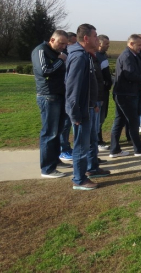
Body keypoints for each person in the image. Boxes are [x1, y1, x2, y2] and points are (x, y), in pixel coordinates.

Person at [66, 23, 110, 191]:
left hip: (90, 107)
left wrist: (93, 104)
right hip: (81, 110)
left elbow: (89, 83)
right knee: (81, 146)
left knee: (91, 141)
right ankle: (79, 179)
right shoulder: (79, 57)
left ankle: (92, 169)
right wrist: (75, 114)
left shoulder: (87, 55)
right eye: (94, 36)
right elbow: (72, 88)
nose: (97, 39)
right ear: (86, 38)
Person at [32, 30, 70, 178]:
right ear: (51, 40)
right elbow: (44, 71)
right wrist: (61, 60)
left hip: (59, 94)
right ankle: (47, 169)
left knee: (57, 131)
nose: (63, 46)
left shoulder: (56, 52)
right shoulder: (41, 50)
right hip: (48, 96)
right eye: (61, 43)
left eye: (65, 44)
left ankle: (55, 161)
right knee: (49, 133)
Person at [109, 34, 141, 158]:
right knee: (133, 121)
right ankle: (139, 149)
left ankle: (115, 150)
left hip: (125, 93)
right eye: (139, 45)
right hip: (126, 94)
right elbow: (129, 74)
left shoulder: (133, 55)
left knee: (120, 121)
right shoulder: (127, 56)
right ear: (131, 44)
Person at [59, 32, 78, 162]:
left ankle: (66, 147)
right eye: (71, 43)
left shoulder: (69, 55)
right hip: (63, 93)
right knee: (65, 124)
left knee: (67, 123)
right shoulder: (63, 56)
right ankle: (63, 150)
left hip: (67, 93)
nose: (71, 46)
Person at [96, 35, 112, 151]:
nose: (108, 46)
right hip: (99, 92)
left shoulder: (103, 55)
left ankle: (99, 140)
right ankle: (97, 141)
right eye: (106, 44)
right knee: (98, 118)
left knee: (102, 117)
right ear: (99, 44)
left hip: (105, 91)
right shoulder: (96, 56)